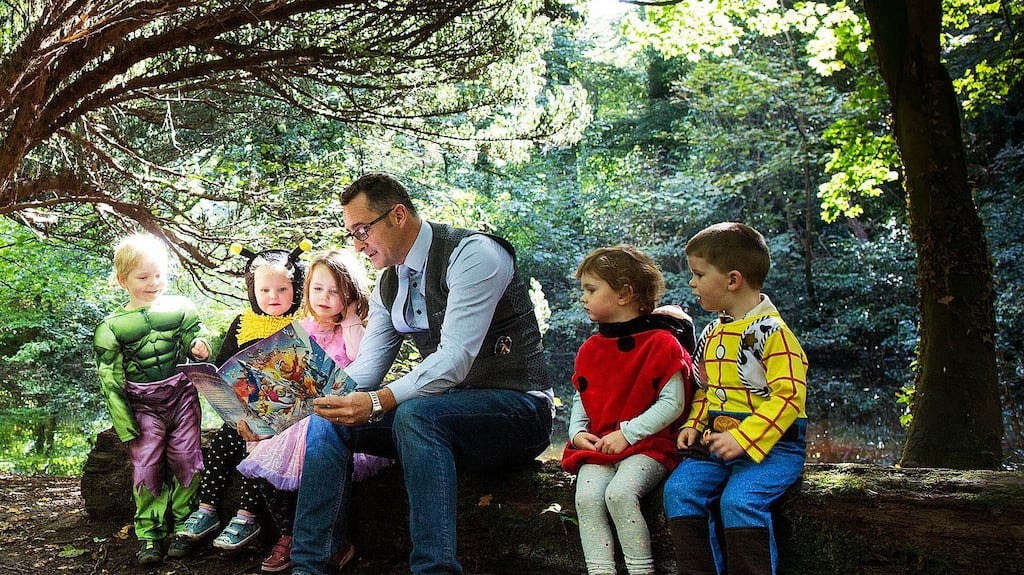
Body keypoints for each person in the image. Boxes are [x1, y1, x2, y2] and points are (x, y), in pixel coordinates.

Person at [290, 172, 554, 575]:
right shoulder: (388, 285)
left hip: (519, 408)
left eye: (363, 231)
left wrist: (378, 401)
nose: (358, 246)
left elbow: (454, 360)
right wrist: (292, 403)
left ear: (398, 215)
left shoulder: (474, 254)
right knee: (330, 422)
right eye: (352, 235)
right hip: (445, 417)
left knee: (417, 415)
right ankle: (309, 567)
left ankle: (434, 570)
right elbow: (366, 370)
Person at [662, 222, 808, 575]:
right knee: (679, 491)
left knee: (740, 501)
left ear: (732, 280)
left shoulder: (773, 333)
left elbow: (788, 397)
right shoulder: (713, 331)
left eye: (698, 274)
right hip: (716, 444)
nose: (692, 283)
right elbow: (707, 390)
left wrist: (744, 437)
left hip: (772, 449)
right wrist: (695, 424)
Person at [237, 248, 391, 573]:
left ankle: (330, 543)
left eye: (335, 291)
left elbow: (360, 362)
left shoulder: (353, 328)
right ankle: (289, 533)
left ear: (350, 292)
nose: (324, 297)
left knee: (320, 463)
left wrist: (350, 316)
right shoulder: (302, 326)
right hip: (296, 413)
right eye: (317, 288)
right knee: (264, 460)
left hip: (332, 412)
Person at [561, 245, 695, 575]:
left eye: (591, 290)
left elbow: (673, 404)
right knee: (587, 499)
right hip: (603, 445)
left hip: (649, 445)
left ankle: (641, 570)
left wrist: (627, 434)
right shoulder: (591, 348)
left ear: (624, 294)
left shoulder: (662, 343)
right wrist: (577, 433)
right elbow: (583, 398)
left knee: (620, 495)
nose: (583, 298)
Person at [175, 242, 307, 558]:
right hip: (243, 412)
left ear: (296, 288)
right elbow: (224, 364)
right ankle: (206, 509)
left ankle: (246, 517)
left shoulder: (303, 321)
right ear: (252, 291)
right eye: (264, 290)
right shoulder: (244, 322)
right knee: (221, 445)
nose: (273, 297)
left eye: (281, 289)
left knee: (256, 454)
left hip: (284, 418)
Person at [93, 233, 212, 565]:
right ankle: (149, 534)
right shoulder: (111, 327)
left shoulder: (180, 307)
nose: (153, 282)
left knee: (188, 459)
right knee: (146, 466)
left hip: (182, 396)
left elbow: (196, 335)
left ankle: (187, 526)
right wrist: (124, 424)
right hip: (142, 404)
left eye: (158, 274)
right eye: (143, 277)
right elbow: (110, 378)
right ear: (122, 280)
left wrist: (200, 344)